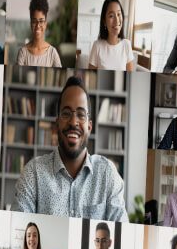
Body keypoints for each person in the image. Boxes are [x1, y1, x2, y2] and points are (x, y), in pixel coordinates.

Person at [13, 76, 126, 220]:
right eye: (66, 113)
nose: (73, 122)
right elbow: (20, 231)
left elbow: (121, 233)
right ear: (57, 124)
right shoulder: (33, 173)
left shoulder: (107, 174)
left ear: (89, 127)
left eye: (81, 114)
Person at [87, 0, 134, 71]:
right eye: (111, 16)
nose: (116, 20)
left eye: (119, 14)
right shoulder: (97, 46)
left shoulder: (127, 45)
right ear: (104, 21)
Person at [15, 0, 62, 67]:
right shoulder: (23, 52)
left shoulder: (52, 53)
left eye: (41, 21)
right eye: (34, 21)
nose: (37, 26)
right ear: (30, 23)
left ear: (45, 24)